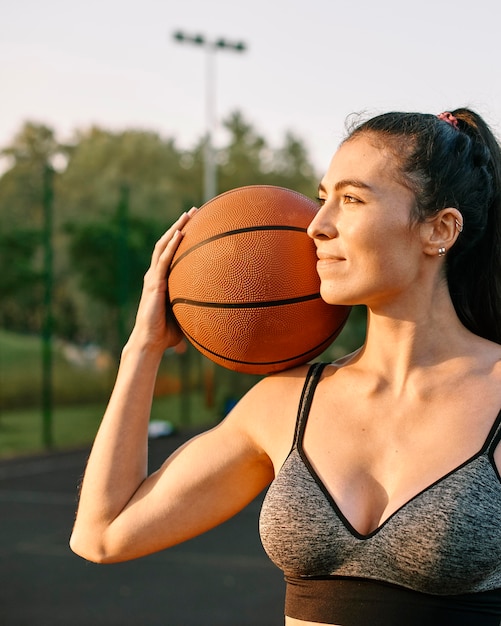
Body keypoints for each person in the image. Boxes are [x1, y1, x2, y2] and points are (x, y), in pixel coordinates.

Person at [70, 108, 501, 626]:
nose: (317, 226)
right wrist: (143, 349)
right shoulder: (287, 402)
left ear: (440, 229)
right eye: (323, 199)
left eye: (351, 199)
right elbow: (103, 533)